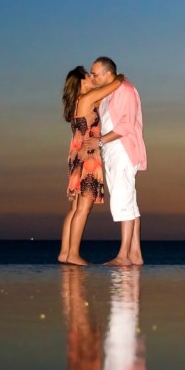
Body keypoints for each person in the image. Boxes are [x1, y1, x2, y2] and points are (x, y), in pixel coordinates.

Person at [59, 66, 124, 265]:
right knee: (83, 208)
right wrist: (118, 76)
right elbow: (115, 84)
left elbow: (102, 99)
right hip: (87, 158)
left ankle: (65, 252)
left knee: (75, 208)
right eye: (88, 76)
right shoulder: (86, 100)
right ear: (80, 83)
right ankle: (73, 254)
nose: (91, 79)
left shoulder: (81, 102)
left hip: (77, 156)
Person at [88, 57, 147, 266]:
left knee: (123, 200)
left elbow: (126, 125)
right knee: (128, 200)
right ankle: (135, 254)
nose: (92, 78)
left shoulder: (126, 90)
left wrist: (100, 141)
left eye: (95, 74)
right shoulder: (109, 94)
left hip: (122, 149)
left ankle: (123, 255)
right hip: (113, 151)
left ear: (107, 73)